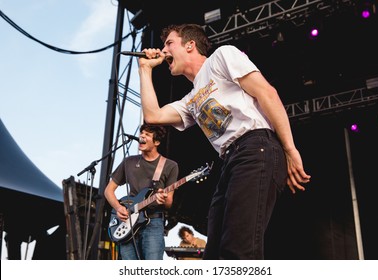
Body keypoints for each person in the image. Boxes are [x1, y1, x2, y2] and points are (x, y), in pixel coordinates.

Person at [137, 23, 311, 259]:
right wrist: (144, 70)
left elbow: (267, 93)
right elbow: (153, 115)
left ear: (190, 45)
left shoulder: (221, 56)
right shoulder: (190, 100)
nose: (164, 50)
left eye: (169, 43)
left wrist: (289, 149)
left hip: (255, 147)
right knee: (214, 255)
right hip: (230, 161)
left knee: (238, 250)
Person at [104, 124, 179, 260]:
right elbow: (108, 190)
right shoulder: (129, 162)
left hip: (154, 222)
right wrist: (118, 208)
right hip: (127, 221)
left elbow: (169, 203)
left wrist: (164, 198)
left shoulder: (170, 166)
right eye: (142, 133)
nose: (142, 136)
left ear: (156, 142)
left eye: (147, 135)